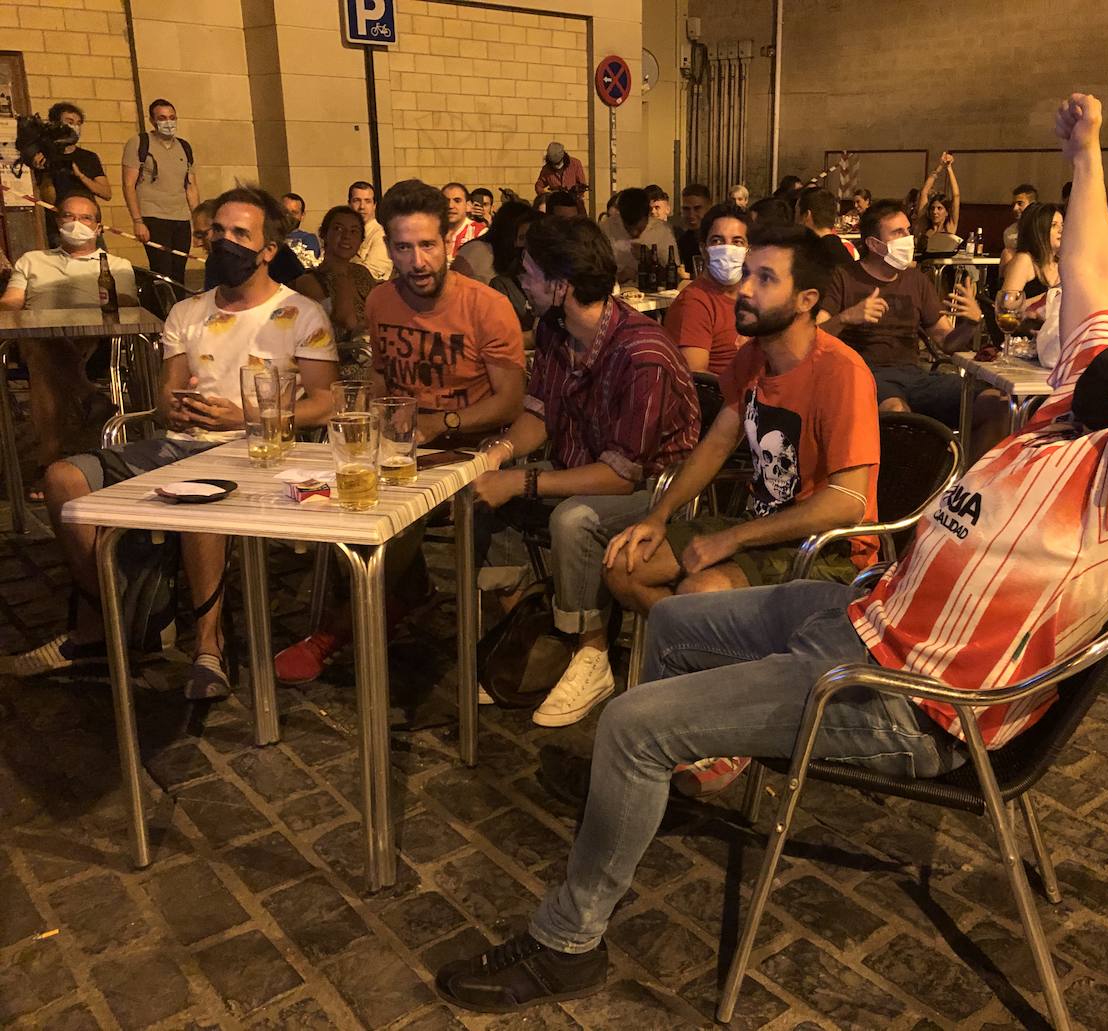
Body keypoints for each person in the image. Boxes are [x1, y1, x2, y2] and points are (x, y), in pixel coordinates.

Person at [431, 31, 1108, 1012]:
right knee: (673, 623)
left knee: (634, 724)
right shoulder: (1088, 396)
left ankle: (570, 936)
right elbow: (1091, 280)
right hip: (865, 610)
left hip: (908, 697)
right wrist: (1084, 157)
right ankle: (674, 789)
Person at [8, 186, 339, 695]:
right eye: (218, 231)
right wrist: (173, 404)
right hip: (177, 443)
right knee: (63, 479)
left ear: (268, 250)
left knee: (199, 493)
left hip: (251, 450)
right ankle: (115, 622)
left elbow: (326, 402)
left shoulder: (302, 315)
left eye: (240, 234)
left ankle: (210, 645)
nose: (224, 241)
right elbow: (165, 395)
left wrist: (248, 418)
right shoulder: (187, 312)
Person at [275, 180, 525, 684]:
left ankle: (340, 631)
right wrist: (371, 421)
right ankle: (402, 599)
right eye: (404, 247)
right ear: (388, 246)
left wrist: (442, 423)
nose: (418, 261)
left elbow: (511, 400)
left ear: (447, 242)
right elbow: (384, 377)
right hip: (402, 447)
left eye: (428, 245)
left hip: (473, 450)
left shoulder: (486, 305)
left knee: (388, 517)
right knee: (321, 495)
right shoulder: (384, 301)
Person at [605, 223, 881, 677]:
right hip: (759, 524)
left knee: (695, 599)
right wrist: (658, 516)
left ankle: (707, 685)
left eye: (765, 279)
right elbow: (716, 444)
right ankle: (709, 671)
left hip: (827, 551)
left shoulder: (841, 372)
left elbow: (847, 503)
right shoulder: (754, 356)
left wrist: (729, 539)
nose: (744, 289)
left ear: (806, 300)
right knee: (623, 565)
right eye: (747, 274)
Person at [468, 216, 700, 727]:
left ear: (560, 286)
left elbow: (621, 475)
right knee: (486, 498)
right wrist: (498, 455)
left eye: (530, 273)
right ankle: (529, 636)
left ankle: (590, 652)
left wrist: (523, 479)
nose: (523, 282)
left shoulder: (641, 353)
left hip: (655, 492)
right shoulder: (556, 330)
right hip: (584, 467)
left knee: (573, 519)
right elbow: (538, 414)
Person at [0, 192, 137, 491]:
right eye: (69, 216)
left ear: (98, 228)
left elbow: (127, 304)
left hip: (95, 340)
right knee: (41, 344)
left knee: (42, 361)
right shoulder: (32, 260)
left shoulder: (115, 264)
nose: (77, 223)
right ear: (57, 221)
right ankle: (90, 397)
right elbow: (12, 302)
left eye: (86, 217)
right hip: (35, 336)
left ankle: (48, 462)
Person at [816, 199, 974, 426]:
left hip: (915, 376)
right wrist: (846, 318)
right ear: (874, 243)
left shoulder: (916, 280)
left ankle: (966, 463)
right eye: (898, 232)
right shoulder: (844, 276)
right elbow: (815, 338)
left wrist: (971, 323)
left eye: (908, 230)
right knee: (896, 411)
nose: (908, 239)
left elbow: (947, 343)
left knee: (993, 401)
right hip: (865, 375)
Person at [121, 98, 199, 287]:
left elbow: (191, 187)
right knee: (162, 271)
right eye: (162, 118)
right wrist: (138, 221)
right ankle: (161, 311)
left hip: (180, 218)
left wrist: (198, 222)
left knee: (179, 271)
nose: (168, 122)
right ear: (152, 120)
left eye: (172, 118)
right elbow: (128, 184)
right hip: (153, 216)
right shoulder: (140, 143)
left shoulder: (184, 147)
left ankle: (178, 310)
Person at [662, 203, 748, 373]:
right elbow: (697, 380)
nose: (727, 249)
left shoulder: (754, 296)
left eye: (737, 242)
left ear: (748, 250)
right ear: (703, 249)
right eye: (718, 241)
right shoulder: (694, 303)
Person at [295, 205, 379, 346]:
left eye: (354, 231)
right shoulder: (309, 281)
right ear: (323, 233)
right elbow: (347, 321)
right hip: (338, 359)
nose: (347, 236)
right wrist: (339, 272)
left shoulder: (362, 273)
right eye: (338, 229)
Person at [33, 103, 111, 244]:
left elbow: (106, 193)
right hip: (59, 229)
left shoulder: (89, 157)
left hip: (89, 227)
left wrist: (81, 176)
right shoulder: (44, 156)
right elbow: (47, 196)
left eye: (78, 123)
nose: (74, 127)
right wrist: (42, 170)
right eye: (69, 122)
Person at [600, 187, 681, 288]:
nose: (634, 233)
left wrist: (650, 258)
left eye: (639, 228)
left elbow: (674, 274)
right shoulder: (606, 229)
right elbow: (594, 272)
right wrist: (618, 276)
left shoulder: (662, 231)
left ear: (648, 214)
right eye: (628, 228)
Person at [486, 200, 543, 334]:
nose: (526, 245)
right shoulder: (502, 286)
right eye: (522, 238)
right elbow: (498, 335)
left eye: (532, 237)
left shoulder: (556, 282)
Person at [1002, 202, 1063, 312]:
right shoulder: (1024, 260)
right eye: (1054, 225)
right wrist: (1047, 297)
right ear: (1038, 230)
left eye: (1062, 225)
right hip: (1027, 327)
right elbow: (1007, 304)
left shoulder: (1062, 264)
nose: (1061, 230)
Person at [795, 185, 856, 264]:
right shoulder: (850, 250)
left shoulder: (800, 258)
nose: (795, 221)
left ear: (807, 215)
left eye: (796, 213)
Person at [913, 151, 960, 247]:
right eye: (932, 208)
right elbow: (924, 192)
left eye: (939, 208)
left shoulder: (949, 227)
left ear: (947, 212)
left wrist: (949, 168)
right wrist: (939, 167)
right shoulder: (924, 226)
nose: (935, 212)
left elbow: (956, 196)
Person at [349, 181, 393, 281]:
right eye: (357, 200)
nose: (362, 207)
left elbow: (373, 273)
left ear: (374, 205)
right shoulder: (345, 234)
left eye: (367, 201)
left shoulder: (380, 235)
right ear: (349, 204)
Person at [535, 143, 588, 211]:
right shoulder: (546, 169)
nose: (556, 166)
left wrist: (574, 194)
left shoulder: (575, 164)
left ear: (564, 157)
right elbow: (539, 186)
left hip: (574, 204)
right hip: (555, 205)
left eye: (558, 163)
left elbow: (582, 184)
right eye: (553, 164)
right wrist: (547, 196)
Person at [675, 184, 712, 275]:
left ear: (709, 207)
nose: (691, 215)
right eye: (686, 209)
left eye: (697, 208)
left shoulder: (720, 238)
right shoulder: (684, 241)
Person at [442, 182, 485, 260]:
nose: (450, 206)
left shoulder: (480, 233)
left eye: (457, 201)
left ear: (468, 206)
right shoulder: (434, 232)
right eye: (446, 201)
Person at [999, 183, 1039, 264]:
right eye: (1013, 204)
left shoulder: (1043, 228)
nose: (1015, 208)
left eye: (1020, 203)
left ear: (1032, 205)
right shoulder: (1010, 232)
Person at [281, 192, 321, 267]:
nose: (288, 216)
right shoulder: (269, 237)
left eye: (294, 213)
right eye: (285, 211)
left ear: (302, 216)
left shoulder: (308, 239)